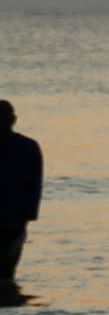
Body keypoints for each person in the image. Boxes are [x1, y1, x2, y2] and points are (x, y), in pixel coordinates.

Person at [0, 100, 42, 282]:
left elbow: (34, 184)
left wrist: (26, 216)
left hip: (14, 221)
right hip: (14, 219)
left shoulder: (28, 147)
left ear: (13, 120)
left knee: (7, 272)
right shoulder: (28, 147)